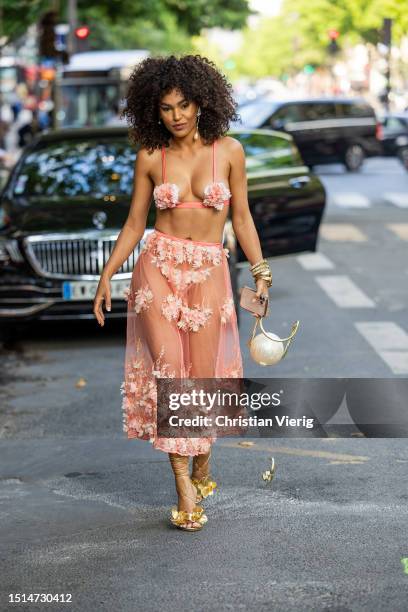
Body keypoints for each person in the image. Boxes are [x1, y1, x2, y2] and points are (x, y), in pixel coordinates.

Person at [93, 54, 272, 532]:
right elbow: (135, 223)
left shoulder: (230, 151)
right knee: (171, 374)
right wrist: (109, 274)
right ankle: (183, 489)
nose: (175, 115)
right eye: (166, 107)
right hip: (158, 269)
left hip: (211, 271)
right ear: (154, 110)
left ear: (202, 103)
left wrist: (260, 270)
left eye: (183, 105)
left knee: (204, 376)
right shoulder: (151, 157)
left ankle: (203, 460)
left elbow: (242, 218)